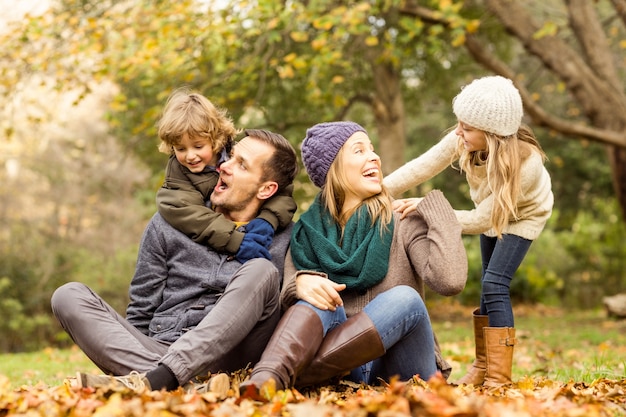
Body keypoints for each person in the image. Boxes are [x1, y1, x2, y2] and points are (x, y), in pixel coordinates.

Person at [51, 129, 299, 392]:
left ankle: (162, 380)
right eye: (230, 156)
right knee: (67, 296)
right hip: (162, 346)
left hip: (233, 357)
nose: (223, 166)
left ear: (267, 189)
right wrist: (129, 354)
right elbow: (142, 309)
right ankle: (183, 385)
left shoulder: (288, 239)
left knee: (261, 270)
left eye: (241, 165)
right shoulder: (168, 224)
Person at [239, 121, 468, 398]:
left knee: (404, 299)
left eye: (372, 149)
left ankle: (299, 376)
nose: (374, 157)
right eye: (359, 150)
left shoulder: (403, 221)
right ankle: (267, 378)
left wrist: (438, 212)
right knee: (319, 297)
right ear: (333, 169)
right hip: (348, 371)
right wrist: (299, 284)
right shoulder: (306, 234)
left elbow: (450, 281)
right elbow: (288, 292)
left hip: (404, 368)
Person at [385, 76, 554, 387]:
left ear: (492, 135)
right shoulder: (463, 139)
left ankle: (499, 377)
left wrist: (428, 207)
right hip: (491, 211)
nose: (458, 132)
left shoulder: (524, 165)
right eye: (459, 123)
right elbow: (422, 166)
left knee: (495, 283)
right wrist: (379, 191)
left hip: (523, 216)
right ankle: (482, 365)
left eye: (467, 127)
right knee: (486, 284)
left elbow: (480, 220)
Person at [155, 87, 296, 263]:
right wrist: (234, 241)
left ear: (215, 139)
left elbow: (280, 185)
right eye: (180, 149)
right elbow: (187, 212)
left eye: (198, 146)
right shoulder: (179, 173)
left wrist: (267, 220)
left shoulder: (235, 151)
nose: (190, 156)